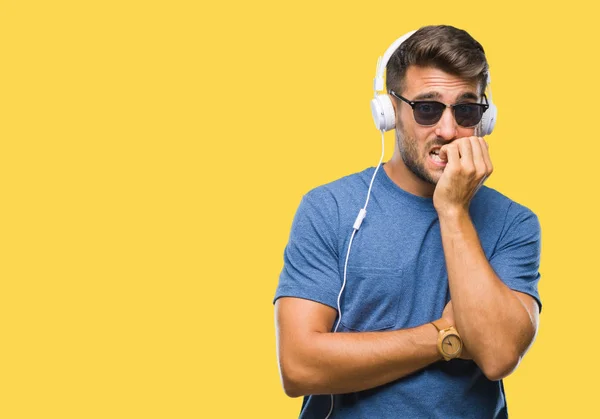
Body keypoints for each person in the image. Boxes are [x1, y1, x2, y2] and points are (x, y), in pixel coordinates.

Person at [273, 25, 541, 419]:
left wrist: (452, 210)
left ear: (485, 119)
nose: (448, 130)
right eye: (427, 108)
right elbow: (298, 367)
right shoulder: (329, 207)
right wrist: (444, 336)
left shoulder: (514, 223)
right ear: (390, 111)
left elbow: (499, 355)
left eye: (466, 110)